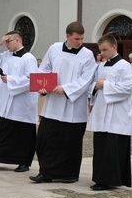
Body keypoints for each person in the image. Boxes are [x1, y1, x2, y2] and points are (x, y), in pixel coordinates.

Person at [30, 22, 96, 184]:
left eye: (81, 39)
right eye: (76, 39)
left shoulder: (87, 55)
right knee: (46, 138)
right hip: (53, 104)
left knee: (71, 142)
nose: (79, 42)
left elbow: (87, 79)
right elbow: (44, 69)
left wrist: (66, 89)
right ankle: (46, 172)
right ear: (67, 36)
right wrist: (43, 87)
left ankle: (70, 173)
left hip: (74, 106)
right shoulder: (54, 49)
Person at [0, 31, 38, 173]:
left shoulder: (29, 59)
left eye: (8, 42)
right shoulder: (5, 56)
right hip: (3, 101)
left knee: (22, 133)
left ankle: (23, 162)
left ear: (17, 40)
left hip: (20, 103)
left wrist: (11, 79)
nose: (6, 45)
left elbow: (32, 80)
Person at [89, 34, 132, 190]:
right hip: (102, 112)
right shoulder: (101, 66)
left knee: (113, 148)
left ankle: (111, 179)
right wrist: (95, 86)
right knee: (101, 146)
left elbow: (128, 88)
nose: (102, 53)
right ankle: (100, 179)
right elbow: (94, 85)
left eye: (105, 50)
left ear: (114, 47)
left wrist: (105, 84)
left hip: (116, 114)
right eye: (101, 50)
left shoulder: (124, 66)